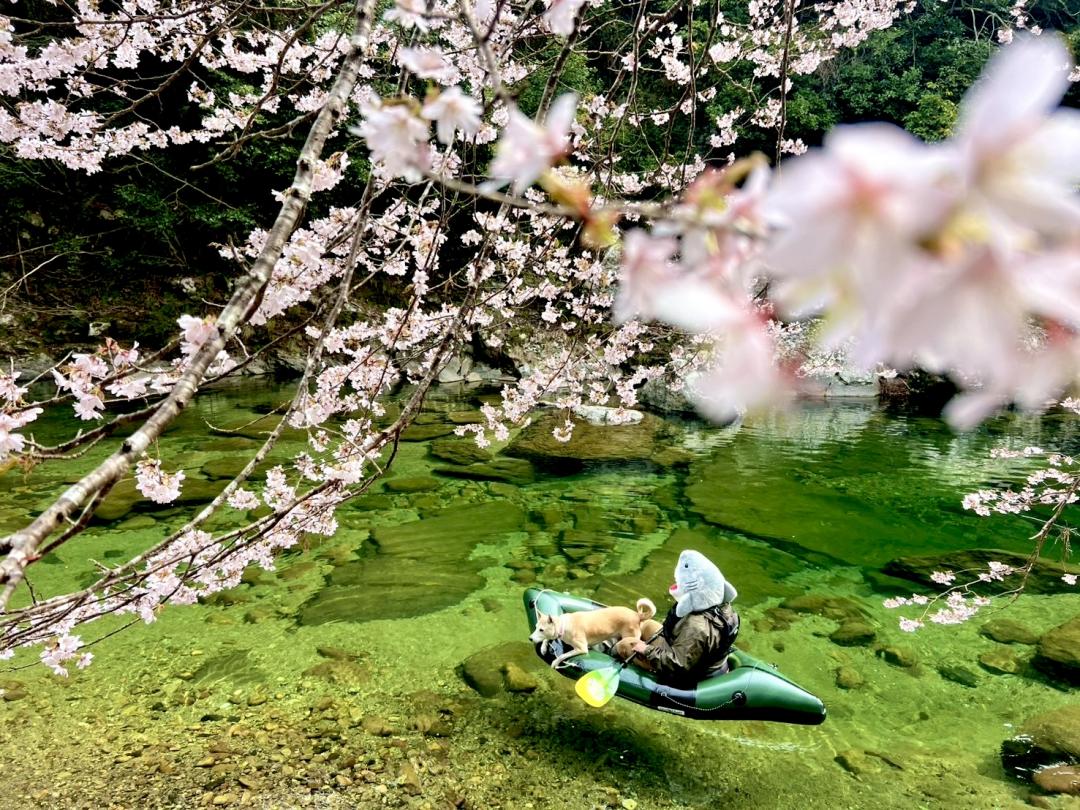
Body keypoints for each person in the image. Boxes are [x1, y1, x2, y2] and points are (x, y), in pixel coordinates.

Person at [618, 549, 740, 688]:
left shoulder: (695, 627)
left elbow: (678, 665)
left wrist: (646, 650)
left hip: (690, 673)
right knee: (647, 625)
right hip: (700, 659)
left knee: (625, 645)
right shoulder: (723, 606)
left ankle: (609, 656)